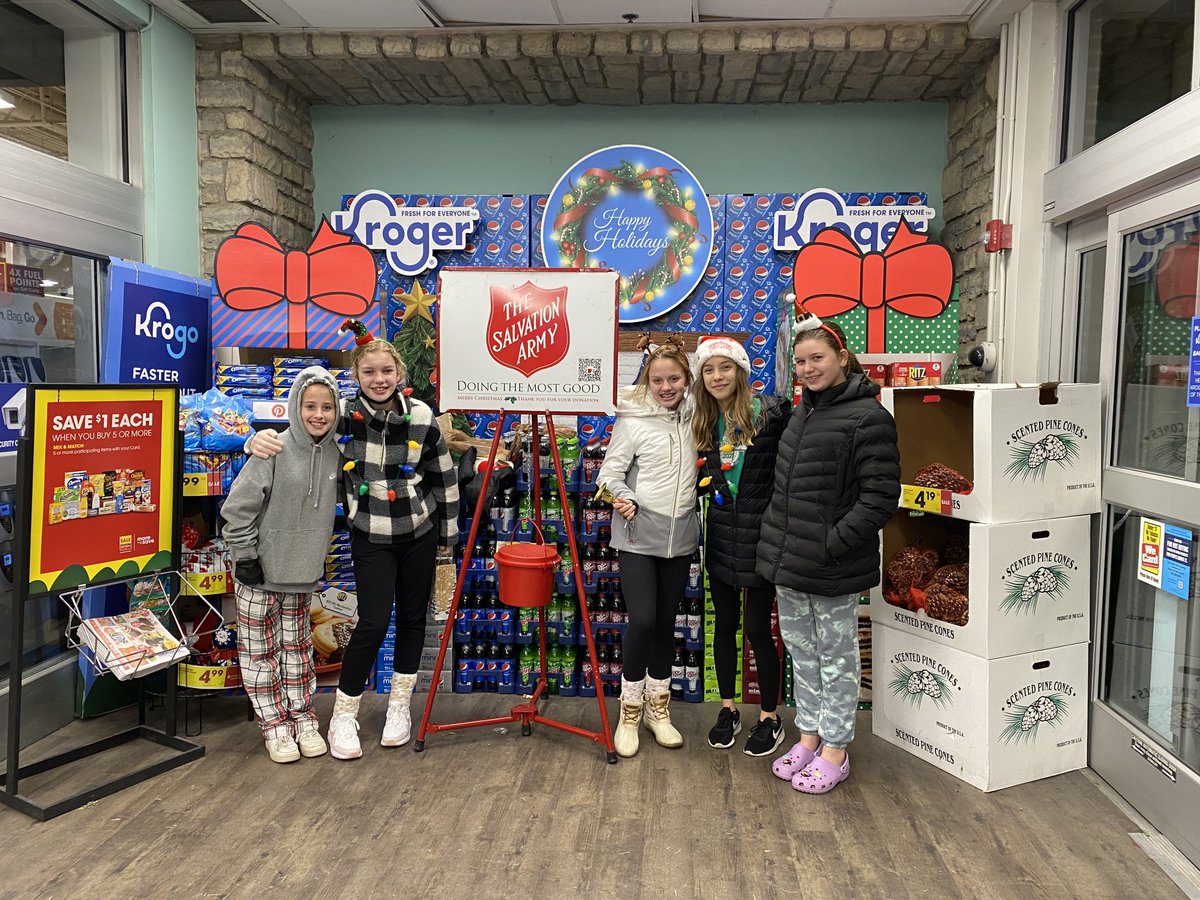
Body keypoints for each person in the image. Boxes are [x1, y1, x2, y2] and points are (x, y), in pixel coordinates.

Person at [247, 321, 458, 760]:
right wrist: (258, 437)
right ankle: (345, 712)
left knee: (415, 620)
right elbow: (301, 424)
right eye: (369, 373)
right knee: (374, 621)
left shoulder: (420, 416)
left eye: (386, 371)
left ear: (399, 373)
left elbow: (444, 479)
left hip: (418, 533)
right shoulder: (342, 414)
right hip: (369, 534)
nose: (378, 380)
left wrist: (446, 540)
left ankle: (399, 705)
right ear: (357, 377)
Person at [756, 316, 900, 793]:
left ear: (842, 357)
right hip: (789, 559)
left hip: (832, 564)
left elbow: (880, 498)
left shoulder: (869, 417)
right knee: (802, 652)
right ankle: (810, 736)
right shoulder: (803, 413)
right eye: (799, 362)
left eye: (817, 358)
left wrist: (831, 544)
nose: (807, 368)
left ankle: (837, 749)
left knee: (836, 658)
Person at [223, 366, 342, 763]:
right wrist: (245, 557)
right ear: (295, 406)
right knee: (259, 654)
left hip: (302, 573)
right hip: (258, 572)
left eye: (327, 407)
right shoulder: (271, 448)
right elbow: (237, 508)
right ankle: (274, 726)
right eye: (310, 406)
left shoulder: (338, 454)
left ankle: (303, 719)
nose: (318, 415)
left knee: (298, 650)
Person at [598, 335, 699, 758]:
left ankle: (660, 710)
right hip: (639, 533)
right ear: (647, 381)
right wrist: (622, 497)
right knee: (641, 620)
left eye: (674, 378)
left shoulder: (698, 416)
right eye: (658, 380)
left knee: (665, 622)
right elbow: (608, 476)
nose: (666, 387)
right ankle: (630, 712)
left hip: (681, 536)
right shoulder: (633, 419)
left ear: (685, 378)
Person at [691, 336, 790, 756]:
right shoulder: (702, 421)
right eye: (709, 370)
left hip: (761, 542)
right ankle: (728, 709)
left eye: (725, 368)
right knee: (725, 628)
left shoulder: (770, 415)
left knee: (757, 631)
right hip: (720, 542)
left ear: (742, 372)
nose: (717, 377)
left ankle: (770, 716)